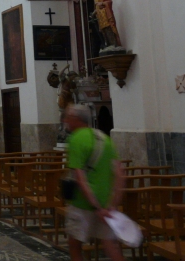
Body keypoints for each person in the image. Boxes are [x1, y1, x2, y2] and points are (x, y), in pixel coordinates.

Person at [64, 104, 124, 261]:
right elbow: (119, 174)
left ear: (77, 120)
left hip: (83, 203)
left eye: (68, 117)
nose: (66, 121)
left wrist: (96, 206)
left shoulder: (76, 139)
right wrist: (112, 204)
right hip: (106, 203)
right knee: (110, 246)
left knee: (74, 245)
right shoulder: (104, 138)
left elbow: (80, 177)